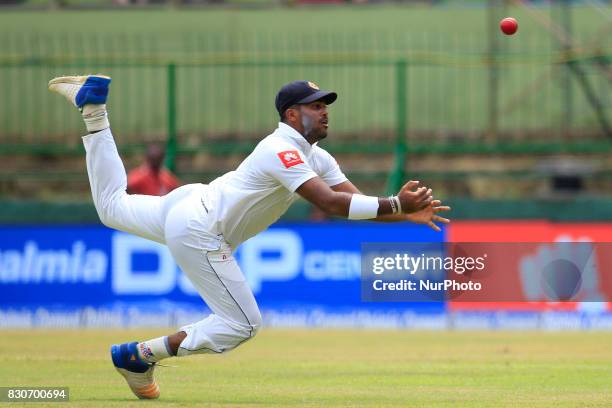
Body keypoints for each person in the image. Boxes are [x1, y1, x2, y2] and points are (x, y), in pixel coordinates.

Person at [48, 75, 450, 400]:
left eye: (325, 105)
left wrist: (402, 213)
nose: (325, 112)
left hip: (191, 205)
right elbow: (329, 204)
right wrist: (396, 205)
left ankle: (94, 107)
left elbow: (355, 203)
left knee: (111, 207)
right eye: (316, 106)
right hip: (200, 227)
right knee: (243, 324)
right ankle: (139, 355)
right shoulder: (282, 148)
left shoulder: (316, 156)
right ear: (292, 114)